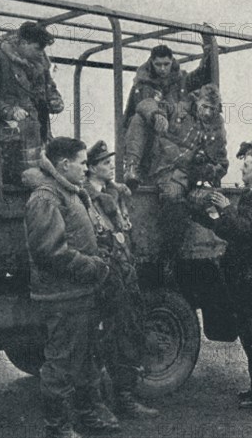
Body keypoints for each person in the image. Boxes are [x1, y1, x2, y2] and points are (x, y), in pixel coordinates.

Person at [24, 137, 119, 438]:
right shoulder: (46, 198)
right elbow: (50, 252)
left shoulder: (68, 192)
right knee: (61, 365)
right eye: (81, 162)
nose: (85, 167)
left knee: (85, 360)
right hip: (62, 296)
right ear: (64, 164)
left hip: (78, 294)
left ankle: (88, 416)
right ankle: (58, 428)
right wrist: (91, 266)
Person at [84, 140, 159, 418]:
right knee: (104, 339)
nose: (110, 167)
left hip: (124, 271)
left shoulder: (114, 194)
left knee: (127, 333)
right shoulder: (86, 198)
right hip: (106, 276)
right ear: (91, 168)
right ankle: (106, 402)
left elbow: (125, 232)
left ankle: (125, 398)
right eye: (104, 163)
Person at [206, 148, 252, 409]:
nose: (243, 168)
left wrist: (226, 211)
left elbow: (248, 232)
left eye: (247, 165)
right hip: (244, 273)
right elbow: (233, 232)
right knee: (248, 334)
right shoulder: (251, 195)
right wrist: (216, 217)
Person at [147, 83, 228, 274]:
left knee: (212, 204)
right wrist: (187, 158)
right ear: (197, 100)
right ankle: (168, 258)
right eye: (204, 106)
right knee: (173, 199)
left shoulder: (217, 125)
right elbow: (161, 141)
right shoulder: (179, 110)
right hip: (170, 170)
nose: (207, 112)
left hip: (197, 177)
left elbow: (222, 161)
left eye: (212, 109)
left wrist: (211, 170)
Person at [0, 21, 64, 185]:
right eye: (38, 48)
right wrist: (9, 110)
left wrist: (54, 100)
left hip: (37, 141)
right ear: (23, 43)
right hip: (7, 146)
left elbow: (49, 89)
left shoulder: (40, 65)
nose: (41, 53)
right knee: (10, 192)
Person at [122, 41, 213, 188]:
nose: (163, 69)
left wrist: (209, 52)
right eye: (158, 64)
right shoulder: (143, 84)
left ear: (172, 62)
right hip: (149, 139)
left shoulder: (180, 80)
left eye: (166, 64)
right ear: (151, 63)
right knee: (138, 118)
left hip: (175, 137)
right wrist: (156, 114)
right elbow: (142, 105)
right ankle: (132, 166)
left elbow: (202, 76)